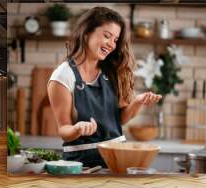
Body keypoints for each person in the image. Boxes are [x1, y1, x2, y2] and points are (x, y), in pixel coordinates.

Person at [48, 6, 162, 168]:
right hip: (81, 164)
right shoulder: (63, 76)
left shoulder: (113, 70)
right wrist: (77, 129)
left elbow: (119, 120)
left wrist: (137, 102)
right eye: (107, 36)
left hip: (117, 158)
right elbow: (63, 130)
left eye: (115, 40)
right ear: (87, 32)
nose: (112, 45)